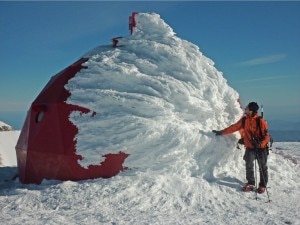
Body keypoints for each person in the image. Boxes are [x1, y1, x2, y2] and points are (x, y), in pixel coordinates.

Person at [212, 102, 270, 193]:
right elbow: (234, 127)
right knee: (249, 165)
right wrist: (221, 132)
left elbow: (267, 136)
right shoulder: (244, 120)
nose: (245, 109)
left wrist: (261, 144)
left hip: (261, 148)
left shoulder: (260, 121)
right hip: (250, 147)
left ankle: (262, 185)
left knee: (262, 167)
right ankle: (251, 183)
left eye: (247, 108)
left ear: (251, 110)